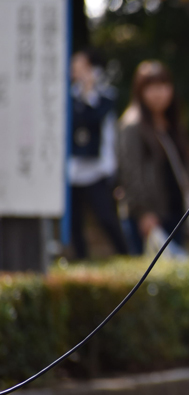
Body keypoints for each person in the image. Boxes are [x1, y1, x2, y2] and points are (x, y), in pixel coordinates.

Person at [118, 60, 189, 255]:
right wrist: (143, 212)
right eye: (151, 87)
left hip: (174, 210)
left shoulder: (171, 122)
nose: (159, 93)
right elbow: (130, 173)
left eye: (163, 86)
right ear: (140, 91)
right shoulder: (133, 125)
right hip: (149, 216)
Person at [68, 49, 128, 259]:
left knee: (106, 217)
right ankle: (79, 258)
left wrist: (89, 90)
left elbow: (94, 119)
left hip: (98, 168)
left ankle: (124, 255)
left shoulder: (106, 95)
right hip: (72, 169)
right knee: (74, 221)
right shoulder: (69, 97)